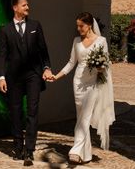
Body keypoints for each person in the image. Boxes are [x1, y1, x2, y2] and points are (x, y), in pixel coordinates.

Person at [49, 12, 116, 165]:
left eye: (81, 26)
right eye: (77, 26)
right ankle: (85, 155)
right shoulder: (76, 41)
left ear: (89, 25)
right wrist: (56, 76)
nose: (79, 29)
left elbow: (105, 64)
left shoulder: (101, 41)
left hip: (92, 84)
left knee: (85, 117)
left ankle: (75, 150)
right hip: (78, 82)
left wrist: (100, 68)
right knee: (81, 116)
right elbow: (71, 63)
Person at [0, 0, 53, 167]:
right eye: (24, 5)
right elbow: (2, 55)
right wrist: (1, 77)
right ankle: (18, 147)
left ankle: (29, 150)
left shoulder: (35, 26)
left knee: (32, 112)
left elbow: (43, 49)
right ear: (15, 8)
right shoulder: (5, 30)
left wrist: (46, 67)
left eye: (28, 4)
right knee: (15, 113)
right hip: (14, 77)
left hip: (33, 75)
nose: (27, 7)